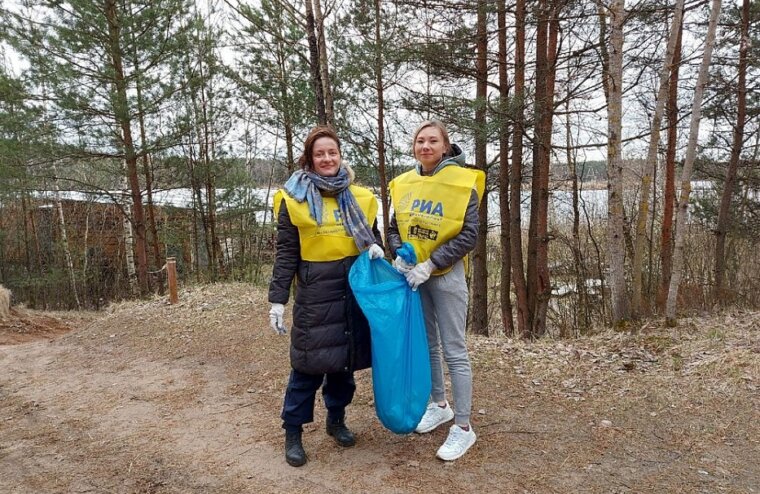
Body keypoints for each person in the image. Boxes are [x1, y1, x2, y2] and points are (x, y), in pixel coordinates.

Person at [268, 125, 384, 467]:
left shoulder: (360, 197)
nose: (327, 158)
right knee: (306, 366)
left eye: (332, 152)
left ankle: (337, 420)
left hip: (352, 290)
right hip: (316, 294)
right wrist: (278, 300)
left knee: (343, 362)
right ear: (310, 158)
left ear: (340, 155)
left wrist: (378, 250)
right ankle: (293, 432)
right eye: (320, 153)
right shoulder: (293, 199)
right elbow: (286, 253)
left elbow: (372, 238)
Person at [387, 120, 485, 461]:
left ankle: (463, 427)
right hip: (414, 276)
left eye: (432, 141)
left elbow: (470, 233)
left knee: (454, 349)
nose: (425, 146)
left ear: (446, 147)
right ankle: (439, 404)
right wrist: (400, 256)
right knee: (428, 344)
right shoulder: (403, 184)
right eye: (419, 141)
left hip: (445, 275)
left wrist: (432, 263)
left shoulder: (463, 182)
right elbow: (393, 227)